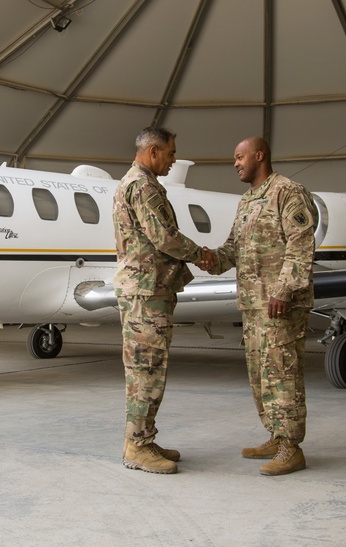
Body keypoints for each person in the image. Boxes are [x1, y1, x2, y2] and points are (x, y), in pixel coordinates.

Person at [201, 136, 316, 476]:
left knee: (283, 374)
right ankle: (275, 434)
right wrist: (209, 259)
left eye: (240, 157)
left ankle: (291, 447)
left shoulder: (288, 192)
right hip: (254, 306)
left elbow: (301, 244)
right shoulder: (248, 201)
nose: (235, 163)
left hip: (280, 304)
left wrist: (285, 289)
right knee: (261, 375)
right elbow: (233, 250)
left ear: (259, 155)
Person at [112, 126, 213, 474]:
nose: (173, 160)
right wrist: (203, 255)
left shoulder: (139, 183)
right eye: (170, 153)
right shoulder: (142, 187)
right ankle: (137, 447)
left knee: (148, 368)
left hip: (148, 290)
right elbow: (165, 238)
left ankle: (142, 438)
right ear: (153, 151)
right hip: (146, 294)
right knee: (146, 369)